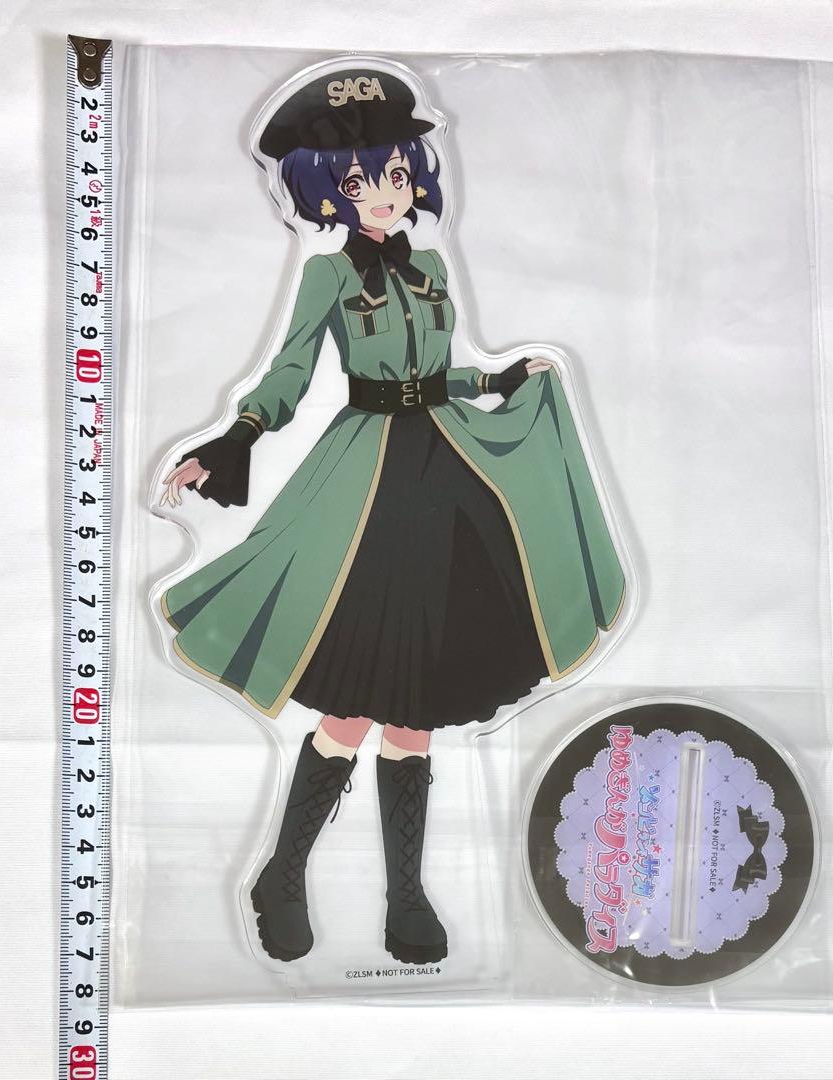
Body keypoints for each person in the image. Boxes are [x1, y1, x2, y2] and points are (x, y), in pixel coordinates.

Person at [158, 65, 627, 965]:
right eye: (360, 181)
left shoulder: (433, 265)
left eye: (397, 174)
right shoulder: (327, 274)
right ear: (327, 194)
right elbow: (293, 371)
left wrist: (496, 377)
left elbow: (439, 370)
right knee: (350, 709)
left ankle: (405, 896)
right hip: (366, 482)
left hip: (447, 472)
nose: (383, 193)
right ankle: (282, 873)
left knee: (416, 715)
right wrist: (237, 435)